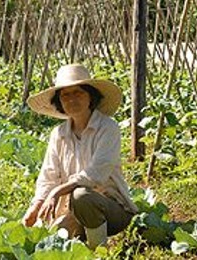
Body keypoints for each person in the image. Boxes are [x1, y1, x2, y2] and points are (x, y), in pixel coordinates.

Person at [22, 64, 138, 250]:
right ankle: (82, 240)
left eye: (78, 92)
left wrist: (57, 192)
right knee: (52, 242)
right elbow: (48, 175)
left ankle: (99, 250)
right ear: (59, 102)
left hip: (111, 210)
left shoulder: (108, 128)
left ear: (90, 96)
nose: (72, 99)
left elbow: (95, 174)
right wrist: (36, 205)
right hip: (71, 211)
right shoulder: (58, 134)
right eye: (65, 95)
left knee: (81, 195)